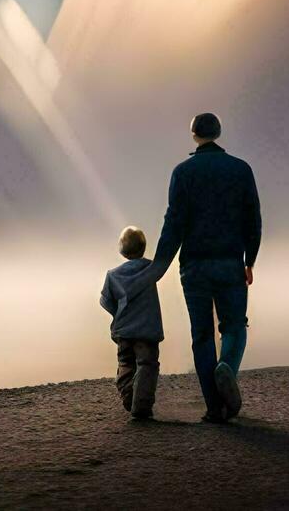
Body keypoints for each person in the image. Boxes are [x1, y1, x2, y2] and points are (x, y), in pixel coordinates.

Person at [128, 112, 260, 423]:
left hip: (194, 267)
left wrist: (158, 267)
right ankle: (226, 365)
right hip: (230, 262)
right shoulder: (241, 170)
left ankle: (214, 408)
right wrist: (249, 260)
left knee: (201, 334)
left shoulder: (183, 172)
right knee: (234, 327)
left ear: (194, 135)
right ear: (219, 132)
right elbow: (253, 220)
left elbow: (173, 224)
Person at [98, 225, 163, 420]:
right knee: (147, 364)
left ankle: (129, 396)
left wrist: (119, 315)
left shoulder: (113, 275)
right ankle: (141, 404)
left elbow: (106, 302)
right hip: (147, 331)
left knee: (126, 364)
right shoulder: (151, 269)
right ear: (143, 248)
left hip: (124, 331)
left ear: (122, 250)